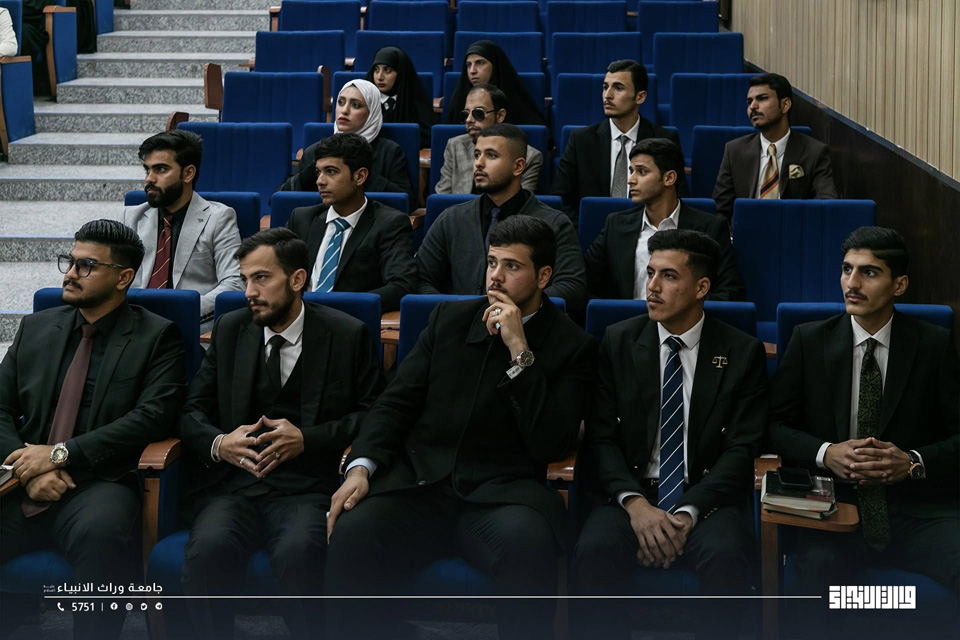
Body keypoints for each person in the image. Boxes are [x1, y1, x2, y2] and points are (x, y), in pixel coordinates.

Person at [324, 215, 598, 640]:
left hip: (502, 496)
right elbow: (394, 404)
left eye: (512, 266)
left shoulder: (572, 345)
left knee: (530, 546)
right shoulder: (448, 320)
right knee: (353, 533)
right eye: (492, 262)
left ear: (544, 276)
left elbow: (552, 441)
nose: (495, 276)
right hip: (421, 486)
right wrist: (361, 466)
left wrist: (519, 350)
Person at [177, 227, 384, 640]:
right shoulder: (231, 329)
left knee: (299, 554)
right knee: (207, 551)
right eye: (245, 279)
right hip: (235, 487)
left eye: (261, 278)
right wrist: (220, 444)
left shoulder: (347, 334)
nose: (249, 292)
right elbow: (190, 411)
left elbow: (375, 415)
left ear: (297, 279)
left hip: (307, 488)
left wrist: (308, 438)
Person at [573, 229, 767, 640]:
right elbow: (602, 439)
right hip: (630, 494)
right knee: (594, 550)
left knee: (728, 556)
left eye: (669, 276)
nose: (653, 287)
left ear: (702, 288)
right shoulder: (619, 341)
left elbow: (741, 449)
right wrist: (636, 506)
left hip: (706, 499)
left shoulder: (741, 351)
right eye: (650, 273)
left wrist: (686, 513)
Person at [0, 220, 187, 640]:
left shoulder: (157, 337)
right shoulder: (36, 327)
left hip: (99, 480)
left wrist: (59, 455)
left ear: (123, 277)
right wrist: (27, 468)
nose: (70, 273)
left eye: (85, 266)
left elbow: (152, 417)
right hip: (25, 475)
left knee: (102, 534)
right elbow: (1, 406)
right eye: (69, 262)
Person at [766, 227, 958, 608]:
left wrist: (913, 463)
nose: (851, 284)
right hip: (835, 506)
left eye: (868, 272)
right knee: (817, 572)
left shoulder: (934, 345)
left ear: (899, 284)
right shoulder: (809, 341)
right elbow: (771, 427)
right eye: (846, 269)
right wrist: (826, 453)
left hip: (915, 511)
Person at [417, 123, 586, 312]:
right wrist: (457, 313)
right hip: (460, 325)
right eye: (476, 155)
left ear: (518, 166)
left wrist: (515, 309)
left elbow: (571, 287)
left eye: (491, 155)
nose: (479, 163)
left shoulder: (554, 223)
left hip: (525, 326)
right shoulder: (451, 218)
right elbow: (421, 278)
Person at [585, 138, 745, 301]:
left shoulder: (710, 227)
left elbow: (730, 292)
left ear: (669, 178)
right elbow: (585, 282)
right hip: (626, 316)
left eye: (642, 172)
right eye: (631, 171)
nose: (630, 180)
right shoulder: (615, 225)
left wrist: (683, 308)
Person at [123, 130, 243, 334]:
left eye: (161, 169)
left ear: (188, 173)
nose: (149, 179)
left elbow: (234, 284)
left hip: (190, 328)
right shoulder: (130, 217)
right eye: (147, 169)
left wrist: (180, 312)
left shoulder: (219, 218)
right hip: (133, 328)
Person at [285, 133, 416, 312]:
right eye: (318, 172)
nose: (320, 181)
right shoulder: (301, 218)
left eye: (331, 171)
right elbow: (277, 272)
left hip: (351, 321)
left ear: (360, 176)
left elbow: (401, 286)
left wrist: (338, 309)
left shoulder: (390, 224)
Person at [552, 59, 687, 226]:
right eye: (605, 87)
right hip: (590, 231)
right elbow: (560, 199)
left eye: (618, 88)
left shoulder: (664, 139)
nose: (607, 95)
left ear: (640, 97)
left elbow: (677, 198)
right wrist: (583, 231)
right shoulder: (580, 140)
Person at [713, 73, 838, 220]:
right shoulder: (734, 151)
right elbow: (719, 211)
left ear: (785, 105)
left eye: (762, 98)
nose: (753, 106)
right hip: (745, 231)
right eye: (749, 101)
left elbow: (826, 206)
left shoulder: (815, 152)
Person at [277, 79, 415, 205]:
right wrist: (319, 165)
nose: (344, 110)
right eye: (341, 102)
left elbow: (407, 203)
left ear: (371, 112)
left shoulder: (389, 151)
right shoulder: (316, 150)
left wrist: (356, 165)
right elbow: (280, 199)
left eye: (355, 105)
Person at [435, 83, 543, 195]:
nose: (468, 120)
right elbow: (442, 197)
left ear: (500, 115)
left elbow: (522, 202)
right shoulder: (455, 145)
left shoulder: (529, 157)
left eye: (478, 113)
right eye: (465, 114)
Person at [444, 40, 548, 128]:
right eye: (468, 65)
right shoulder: (459, 100)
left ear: (495, 66)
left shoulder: (516, 101)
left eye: (480, 63)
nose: (472, 71)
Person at [364, 45, 436, 149]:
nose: (379, 77)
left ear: (400, 73)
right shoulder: (365, 100)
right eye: (376, 70)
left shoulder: (415, 100)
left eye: (387, 70)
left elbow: (428, 135)